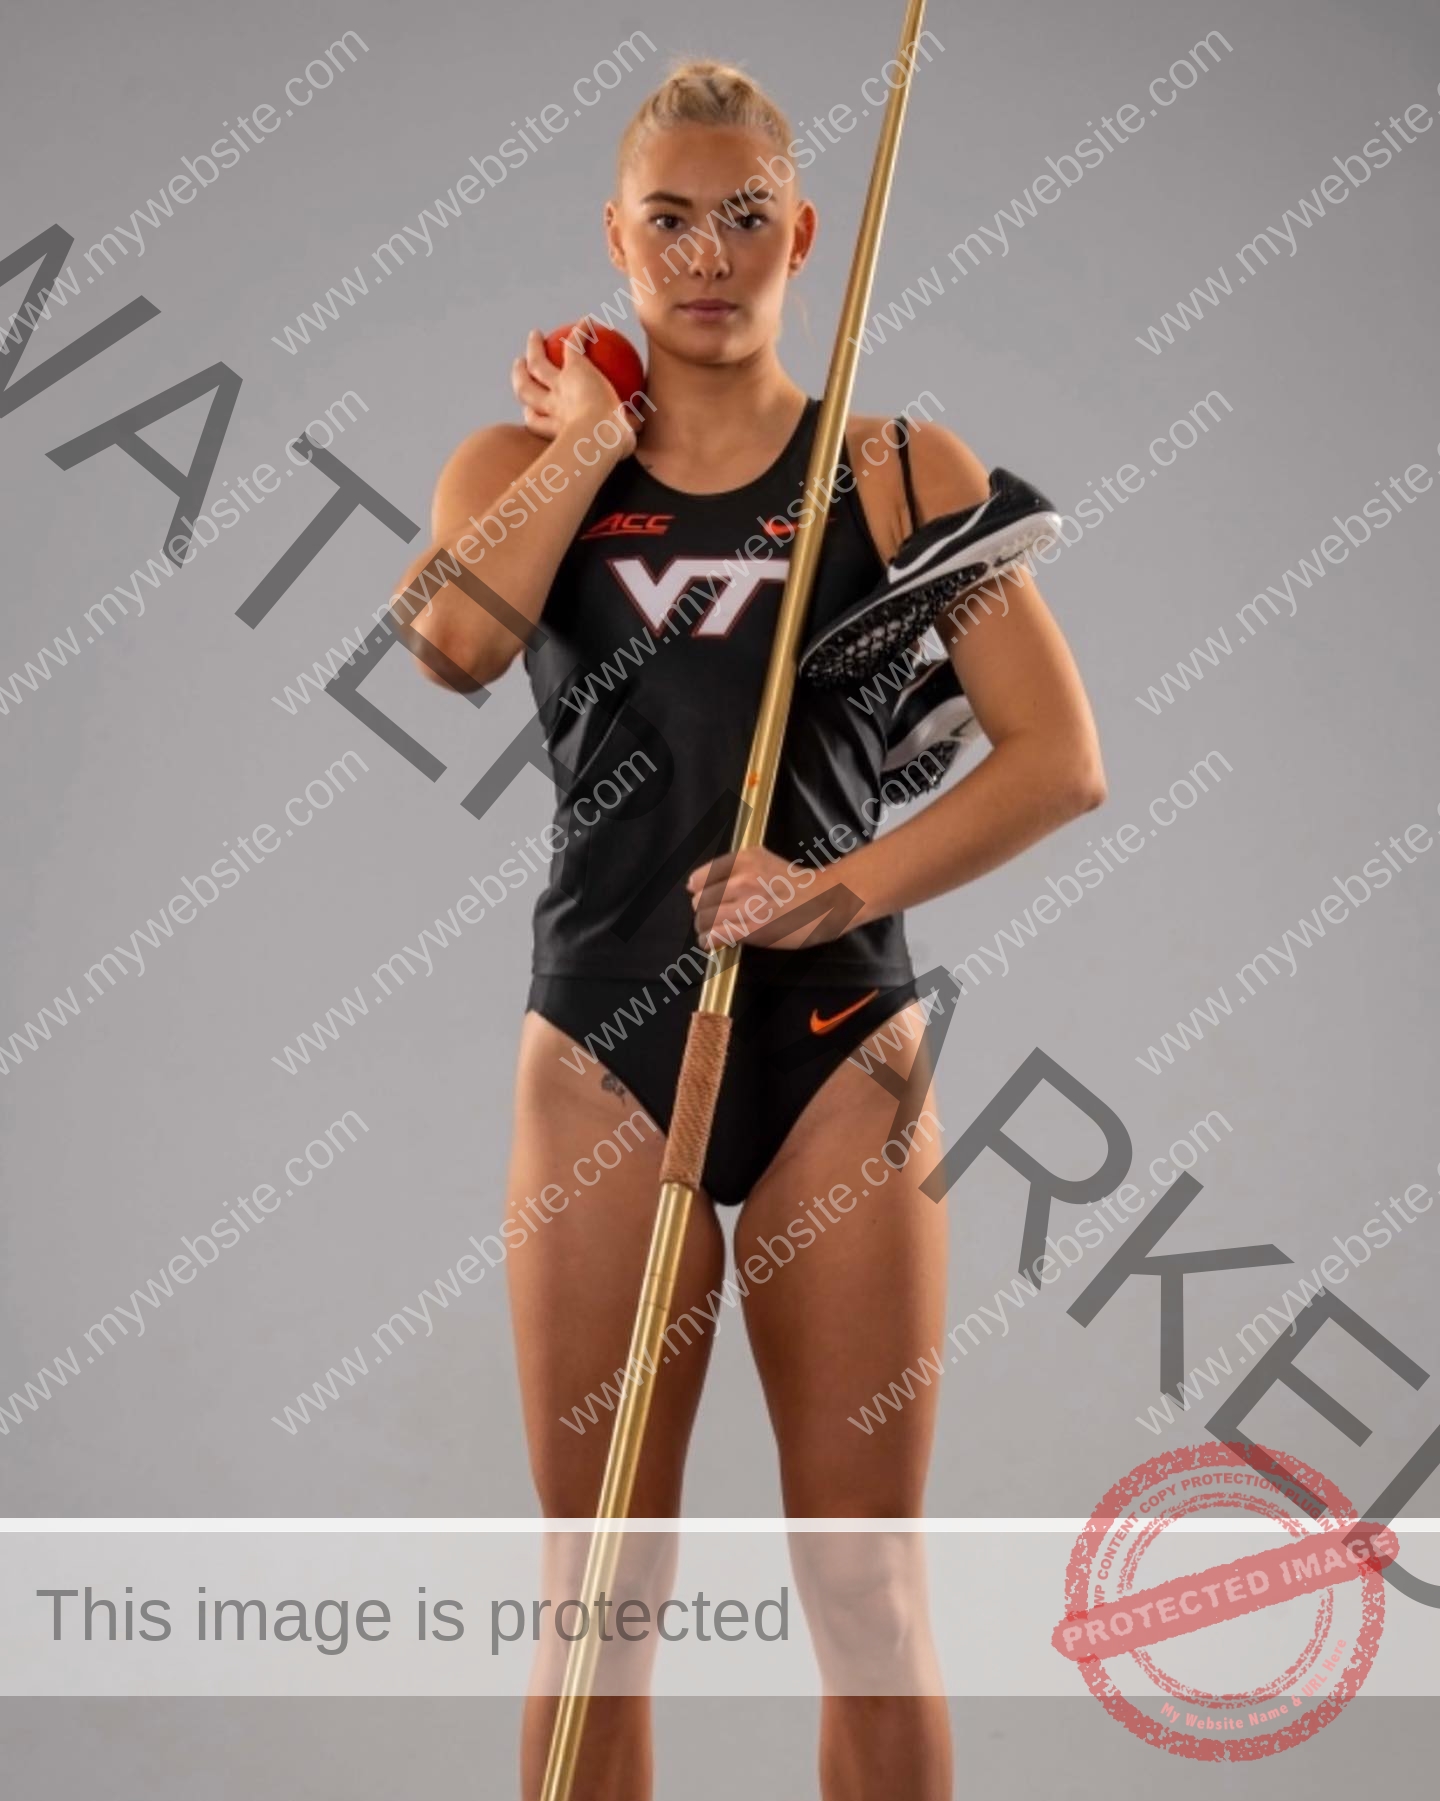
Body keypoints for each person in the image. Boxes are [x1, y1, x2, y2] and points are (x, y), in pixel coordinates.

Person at [390, 55, 1104, 1801]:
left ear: (800, 232)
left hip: (837, 1047)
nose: (704, 253)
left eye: (739, 219)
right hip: (601, 1052)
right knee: (598, 1597)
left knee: (864, 1587)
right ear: (615, 242)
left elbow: (1061, 762)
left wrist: (832, 892)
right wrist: (590, 442)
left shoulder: (892, 466)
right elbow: (449, 648)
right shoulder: (516, 460)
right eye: (664, 222)